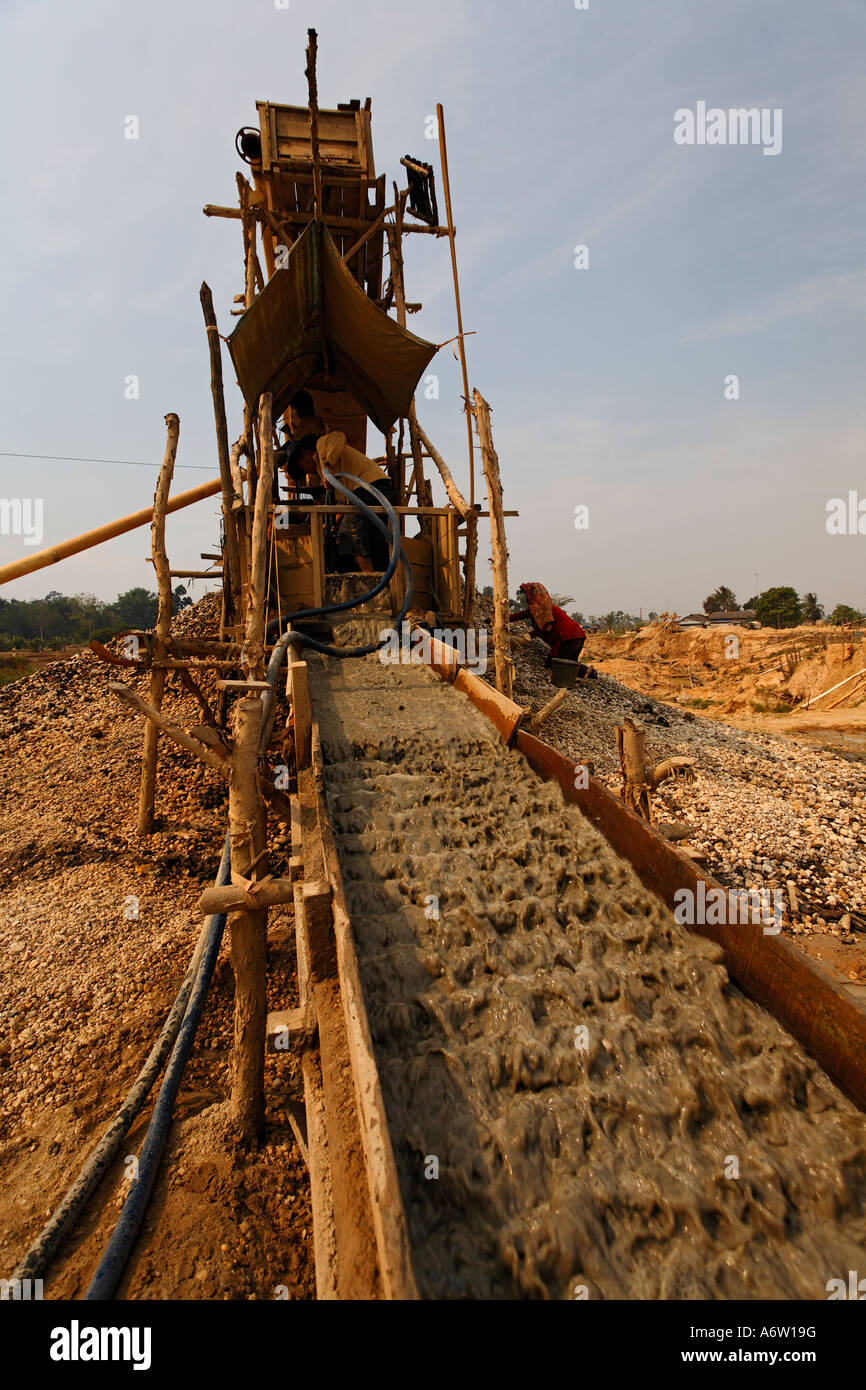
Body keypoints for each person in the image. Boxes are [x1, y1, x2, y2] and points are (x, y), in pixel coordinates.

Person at [313, 430, 396, 573]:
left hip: (370, 487)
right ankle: (383, 581)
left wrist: (328, 466)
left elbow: (340, 436)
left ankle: (371, 580)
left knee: (349, 533)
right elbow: (346, 503)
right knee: (373, 539)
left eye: (301, 466)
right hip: (374, 491)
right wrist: (334, 522)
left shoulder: (322, 446)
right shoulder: (330, 474)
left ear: (305, 455)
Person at [509, 581, 586, 667]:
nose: (527, 598)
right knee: (569, 664)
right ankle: (589, 673)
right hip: (576, 636)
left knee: (560, 666)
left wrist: (522, 638)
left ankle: (586, 672)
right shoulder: (536, 610)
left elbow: (541, 630)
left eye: (527, 595)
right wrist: (499, 618)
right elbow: (517, 616)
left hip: (568, 639)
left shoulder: (544, 611)